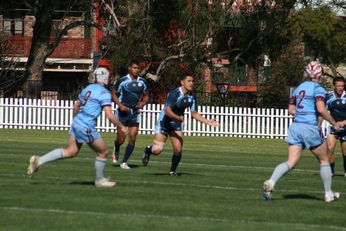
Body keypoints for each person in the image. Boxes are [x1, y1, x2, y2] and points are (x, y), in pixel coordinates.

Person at [27, 67, 127, 188]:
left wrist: (76, 121)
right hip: (87, 124)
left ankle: (39, 161)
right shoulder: (104, 93)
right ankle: (100, 180)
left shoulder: (88, 88)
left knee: (71, 151)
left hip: (77, 121)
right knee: (103, 151)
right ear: (106, 78)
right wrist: (121, 126)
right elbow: (110, 116)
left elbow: (76, 106)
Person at [262, 61, 341, 202]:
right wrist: (334, 123)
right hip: (309, 127)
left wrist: (302, 113)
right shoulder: (318, 89)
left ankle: (272, 182)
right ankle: (328, 194)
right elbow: (322, 109)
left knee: (291, 162)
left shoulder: (299, 88)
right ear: (320, 74)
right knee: (324, 160)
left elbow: (290, 109)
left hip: (295, 126)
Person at [141, 73, 219, 176]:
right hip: (164, 122)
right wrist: (178, 118)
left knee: (178, 149)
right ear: (182, 82)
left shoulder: (192, 96)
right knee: (157, 150)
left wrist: (208, 122)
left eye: (192, 81)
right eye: (189, 81)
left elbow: (194, 113)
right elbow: (167, 111)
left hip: (176, 123)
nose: (191, 83)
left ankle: (172, 171)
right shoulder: (174, 94)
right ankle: (148, 150)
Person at [111, 60, 149, 169]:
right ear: (129, 68)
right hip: (122, 112)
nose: (136, 70)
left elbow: (146, 95)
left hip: (135, 113)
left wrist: (143, 103)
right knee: (121, 140)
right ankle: (117, 147)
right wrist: (119, 104)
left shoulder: (143, 81)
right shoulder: (122, 80)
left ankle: (124, 162)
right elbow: (114, 93)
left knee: (132, 138)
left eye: (138, 68)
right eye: (134, 68)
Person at [325, 76, 346, 177]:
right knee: (330, 148)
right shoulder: (328, 97)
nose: (340, 88)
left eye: (342, 86)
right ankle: (331, 171)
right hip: (333, 127)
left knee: (345, 152)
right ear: (334, 86)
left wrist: (343, 123)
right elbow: (323, 112)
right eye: (338, 86)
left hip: (345, 127)